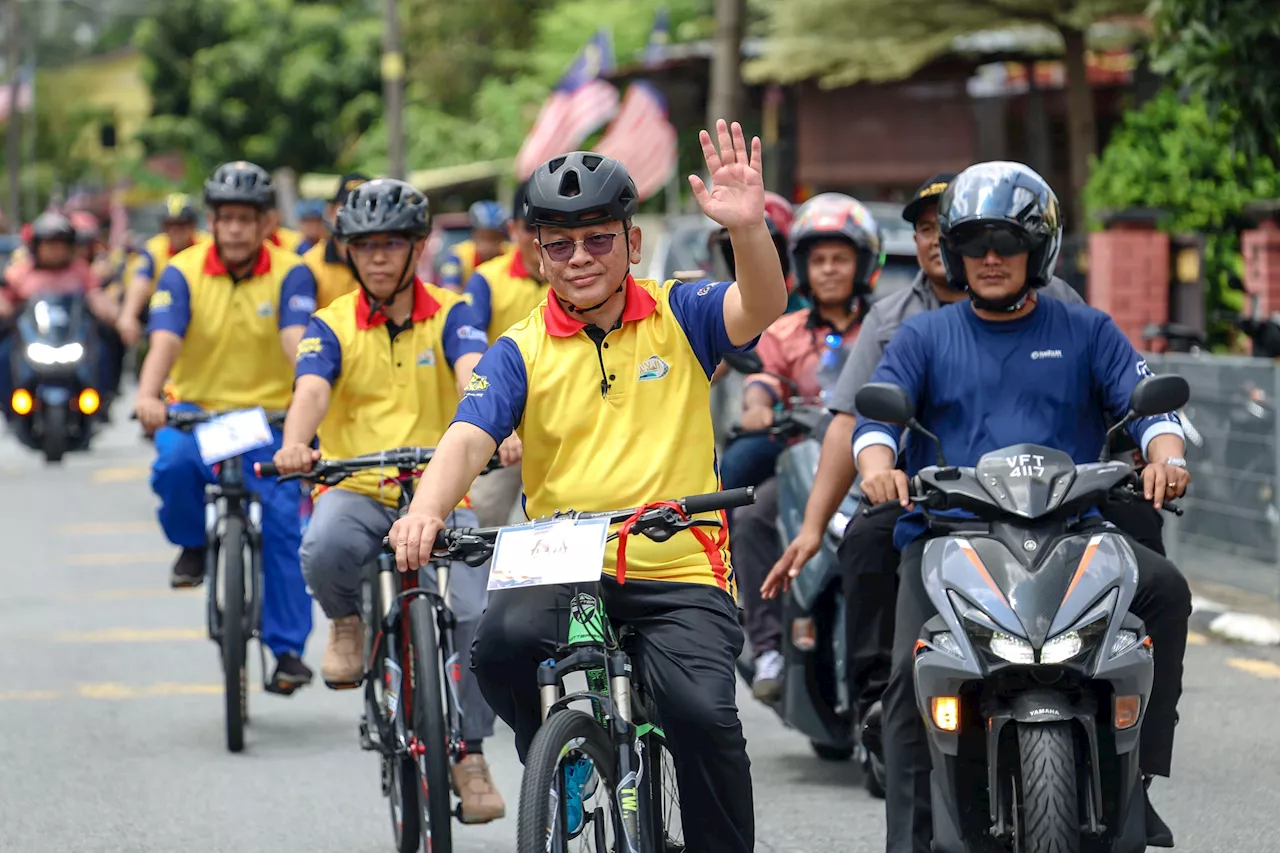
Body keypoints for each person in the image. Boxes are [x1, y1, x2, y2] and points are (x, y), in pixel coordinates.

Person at [389, 124, 788, 852]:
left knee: (703, 716)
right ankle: (560, 752)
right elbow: (470, 434)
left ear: (632, 244)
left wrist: (750, 229)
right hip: (561, 556)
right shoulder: (520, 349)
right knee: (499, 646)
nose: (580, 258)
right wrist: (426, 507)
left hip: (679, 559)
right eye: (560, 244)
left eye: (598, 239)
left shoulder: (682, 312)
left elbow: (758, 307)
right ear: (537, 255)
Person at [850, 162, 1190, 852]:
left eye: (1007, 241)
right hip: (951, 533)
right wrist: (879, 469)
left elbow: (1146, 402)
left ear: (1040, 249)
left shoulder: (1087, 328)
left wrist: (1167, 456)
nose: (991, 258)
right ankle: (912, 842)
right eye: (975, 244)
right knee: (911, 688)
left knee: (1167, 593)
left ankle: (1140, 776)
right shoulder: (924, 337)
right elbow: (876, 423)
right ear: (954, 252)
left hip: (1076, 529)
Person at [762, 172, 1091, 745]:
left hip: (1050, 496)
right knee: (866, 541)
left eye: (994, 239)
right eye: (933, 232)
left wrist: (1150, 458)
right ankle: (877, 704)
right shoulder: (902, 327)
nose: (968, 251)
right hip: (936, 498)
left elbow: (1121, 395)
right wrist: (818, 523)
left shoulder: (1062, 309)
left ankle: (1122, 720)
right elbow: (855, 423)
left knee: (1148, 567)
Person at [272, 178, 510, 822]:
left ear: (418, 247)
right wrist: (297, 444)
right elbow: (312, 391)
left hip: (439, 493)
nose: (378, 257)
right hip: (356, 486)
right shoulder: (330, 323)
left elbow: (474, 373)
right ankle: (347, 622)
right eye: (366, 245)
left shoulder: (455, 310)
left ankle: (470, 753)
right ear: (348, 250)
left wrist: (499, 430)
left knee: (476, 614)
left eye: (393, 244)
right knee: (322, 544)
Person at [134, 160, 319, 695]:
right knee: (170, 464)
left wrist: (310, 387)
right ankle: (192, 544)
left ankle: (286, 652)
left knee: (285, 523)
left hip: (269, 420)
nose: (235, 228)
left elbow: (295, 336)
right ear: (210, 222)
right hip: (198, 415)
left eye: (246, 218)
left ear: (265, 223)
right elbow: (164, 340)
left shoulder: (292, 270)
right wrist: (149, 395)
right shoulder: (182, 271)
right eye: (225, 217)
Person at [723, 194, 884, 702]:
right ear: (802, 268)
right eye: (819, 260)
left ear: (864, 264)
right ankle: (768, 645)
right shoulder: (783, 329)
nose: (830, 270)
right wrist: (757, 406)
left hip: (875, 464)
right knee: (751, 518)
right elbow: (763, 381)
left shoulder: (888, 327)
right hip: (802, 463)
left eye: (840, 258)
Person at [460, 182, 549, 527]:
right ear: (512, 230)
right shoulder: (485, 280)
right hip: (504, 423)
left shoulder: (576, 274)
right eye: (530, 227)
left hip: (563, 421)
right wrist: (498, 424)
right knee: (479, 520)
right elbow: (469, 355)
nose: (538, 237)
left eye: (548, 225)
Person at [0, 213, 119, 416]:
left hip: (72, 335)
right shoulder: (22, 271)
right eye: (49, 244)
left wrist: (115, 315)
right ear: (37, 246)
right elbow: (6, 295)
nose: (55, 250)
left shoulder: (80, 270)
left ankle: (105, 399)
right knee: (4, 353)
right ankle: (6, 405)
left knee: (105, 349)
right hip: (34, 337)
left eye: (60, 244)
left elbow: (95, 294)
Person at [116, 194, 208, 349]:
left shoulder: (207, 246)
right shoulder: (154, 248)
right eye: (169, 225)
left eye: (181, 224)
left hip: (200, 311)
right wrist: (128, 315)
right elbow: (141, 281)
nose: (175, 231)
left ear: (193, 226)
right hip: (162, 310)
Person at [302, 173, 369, 310]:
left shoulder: (386, 262)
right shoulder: (310, 265)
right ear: (330, 211)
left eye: (366, 206)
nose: (357, 214)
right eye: (347, 206)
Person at [437, 199, 511, 291]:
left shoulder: (512, 254)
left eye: (494, 238)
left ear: (502, 238)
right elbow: (449, 289)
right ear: (474, 234)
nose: (488, 246)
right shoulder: (458, 255)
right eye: (483, 237)